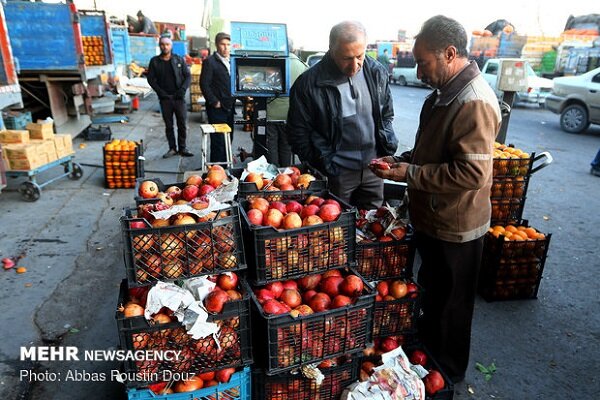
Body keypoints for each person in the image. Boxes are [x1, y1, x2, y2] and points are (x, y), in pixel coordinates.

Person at [370, 15, 501, 383]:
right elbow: (431, 152)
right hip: (432, 218)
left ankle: (447, 378)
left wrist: (409, 174)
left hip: (456, 228)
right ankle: (427, 367)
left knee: (451, 310)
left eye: (424, 62)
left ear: (449, 53)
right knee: (431, 299)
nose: (419, 70)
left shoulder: (472, 102)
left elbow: (472, 174)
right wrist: (401, 161)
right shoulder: (442, 96)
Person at [287, 21, 397, 209]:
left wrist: (384, 147)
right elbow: (298, 133)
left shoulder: (377, 72)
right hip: (336, 172)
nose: (354, 65)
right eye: (347, 58)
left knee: (372, 226)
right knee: (337, 230)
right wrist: (325, 165)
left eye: (360, 56)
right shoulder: (308, 84)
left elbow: (386, 114)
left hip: (374, 170)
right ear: (331, 49)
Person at [147, 36, 193, 158]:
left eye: (167, 44)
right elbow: (151, 79)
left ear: (171, 46)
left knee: (182, 124)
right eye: (162, 44)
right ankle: (172, 148)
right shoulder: (155, 61)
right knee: (169, 125)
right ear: (160, 46)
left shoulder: (179, 60)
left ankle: (182, 148)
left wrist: (182, 90)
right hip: (165, 99)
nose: (165, 46)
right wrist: (160, 92)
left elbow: (188, 76)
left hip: (179, 98)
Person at [265, 41, 309, 166]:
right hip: (291, 114)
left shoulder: (272, 64)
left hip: (271, 113)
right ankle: (285, 174)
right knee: (286, 146)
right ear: (293, 49)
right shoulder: (303, 66)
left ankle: (272, 175)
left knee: (271, 146)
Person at [200, 32, 235, 164]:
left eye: (228, 45)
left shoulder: (231, 60)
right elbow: (204, 84)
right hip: (217, 108)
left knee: (228, 137)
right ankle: (216, 168)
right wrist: (214, 102)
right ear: (217, 45)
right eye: (223, 44)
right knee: (218, 140)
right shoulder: (210, 62)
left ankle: (226, 166)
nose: (226, 48)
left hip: (229, 106)